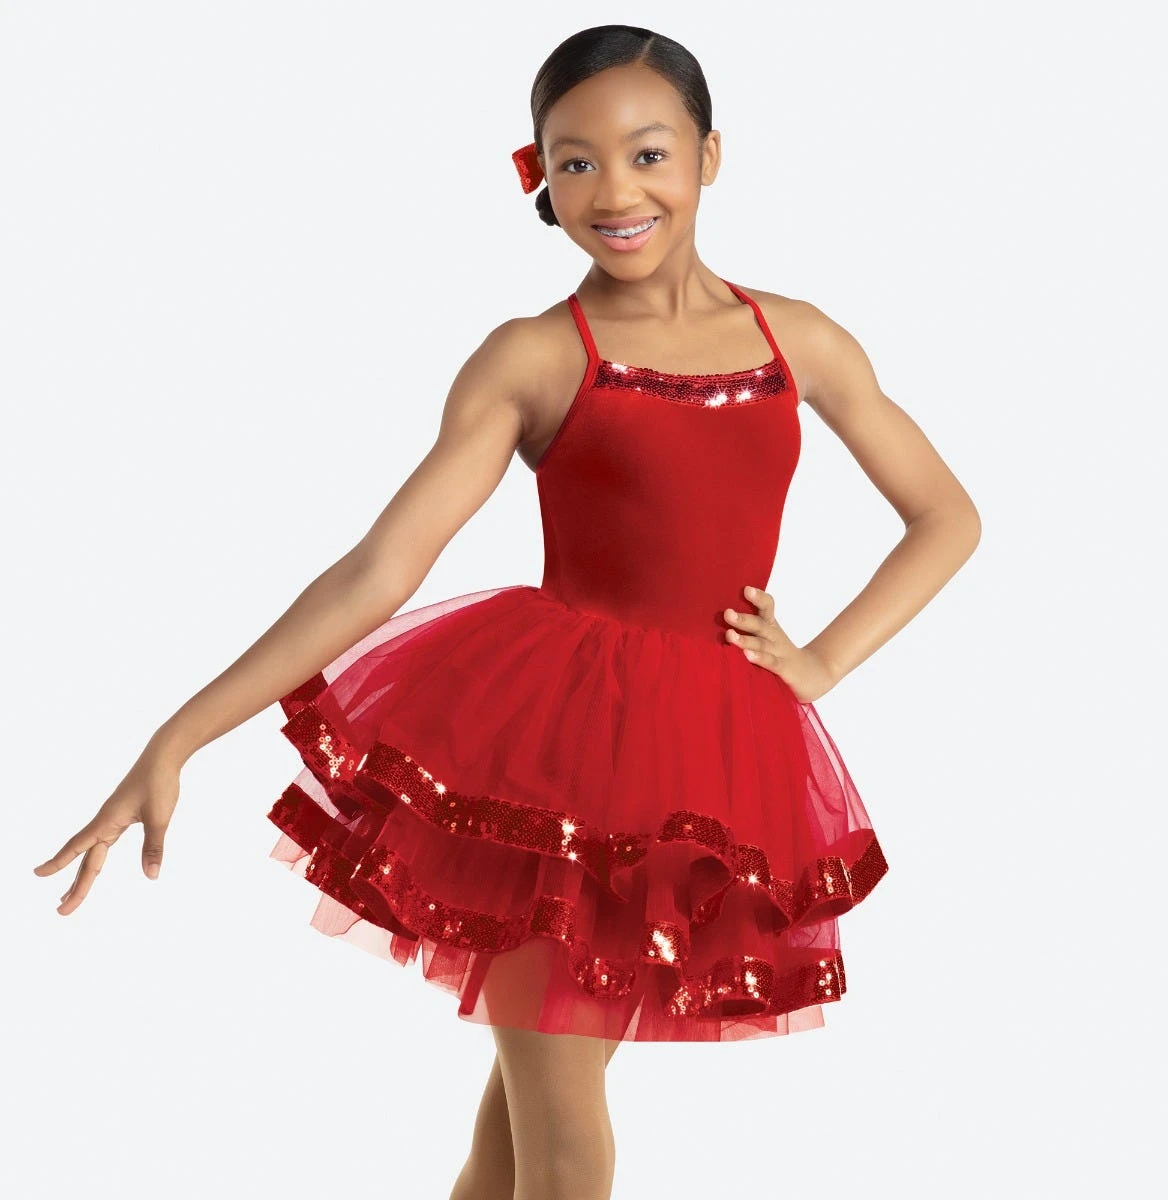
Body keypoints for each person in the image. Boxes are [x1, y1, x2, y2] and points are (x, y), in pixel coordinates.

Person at [33, 23, 981, 1200]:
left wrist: (824, 661)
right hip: (547, 769)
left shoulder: (801, 338)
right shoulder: (535, 358)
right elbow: (378, 570)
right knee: (567, 1143)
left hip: (697, 774)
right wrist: (178, 735)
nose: (616, 192)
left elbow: (946, 515)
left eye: (648, 154)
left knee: (519, 1130)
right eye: (576, 161)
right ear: (538, 175)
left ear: (709, 155)